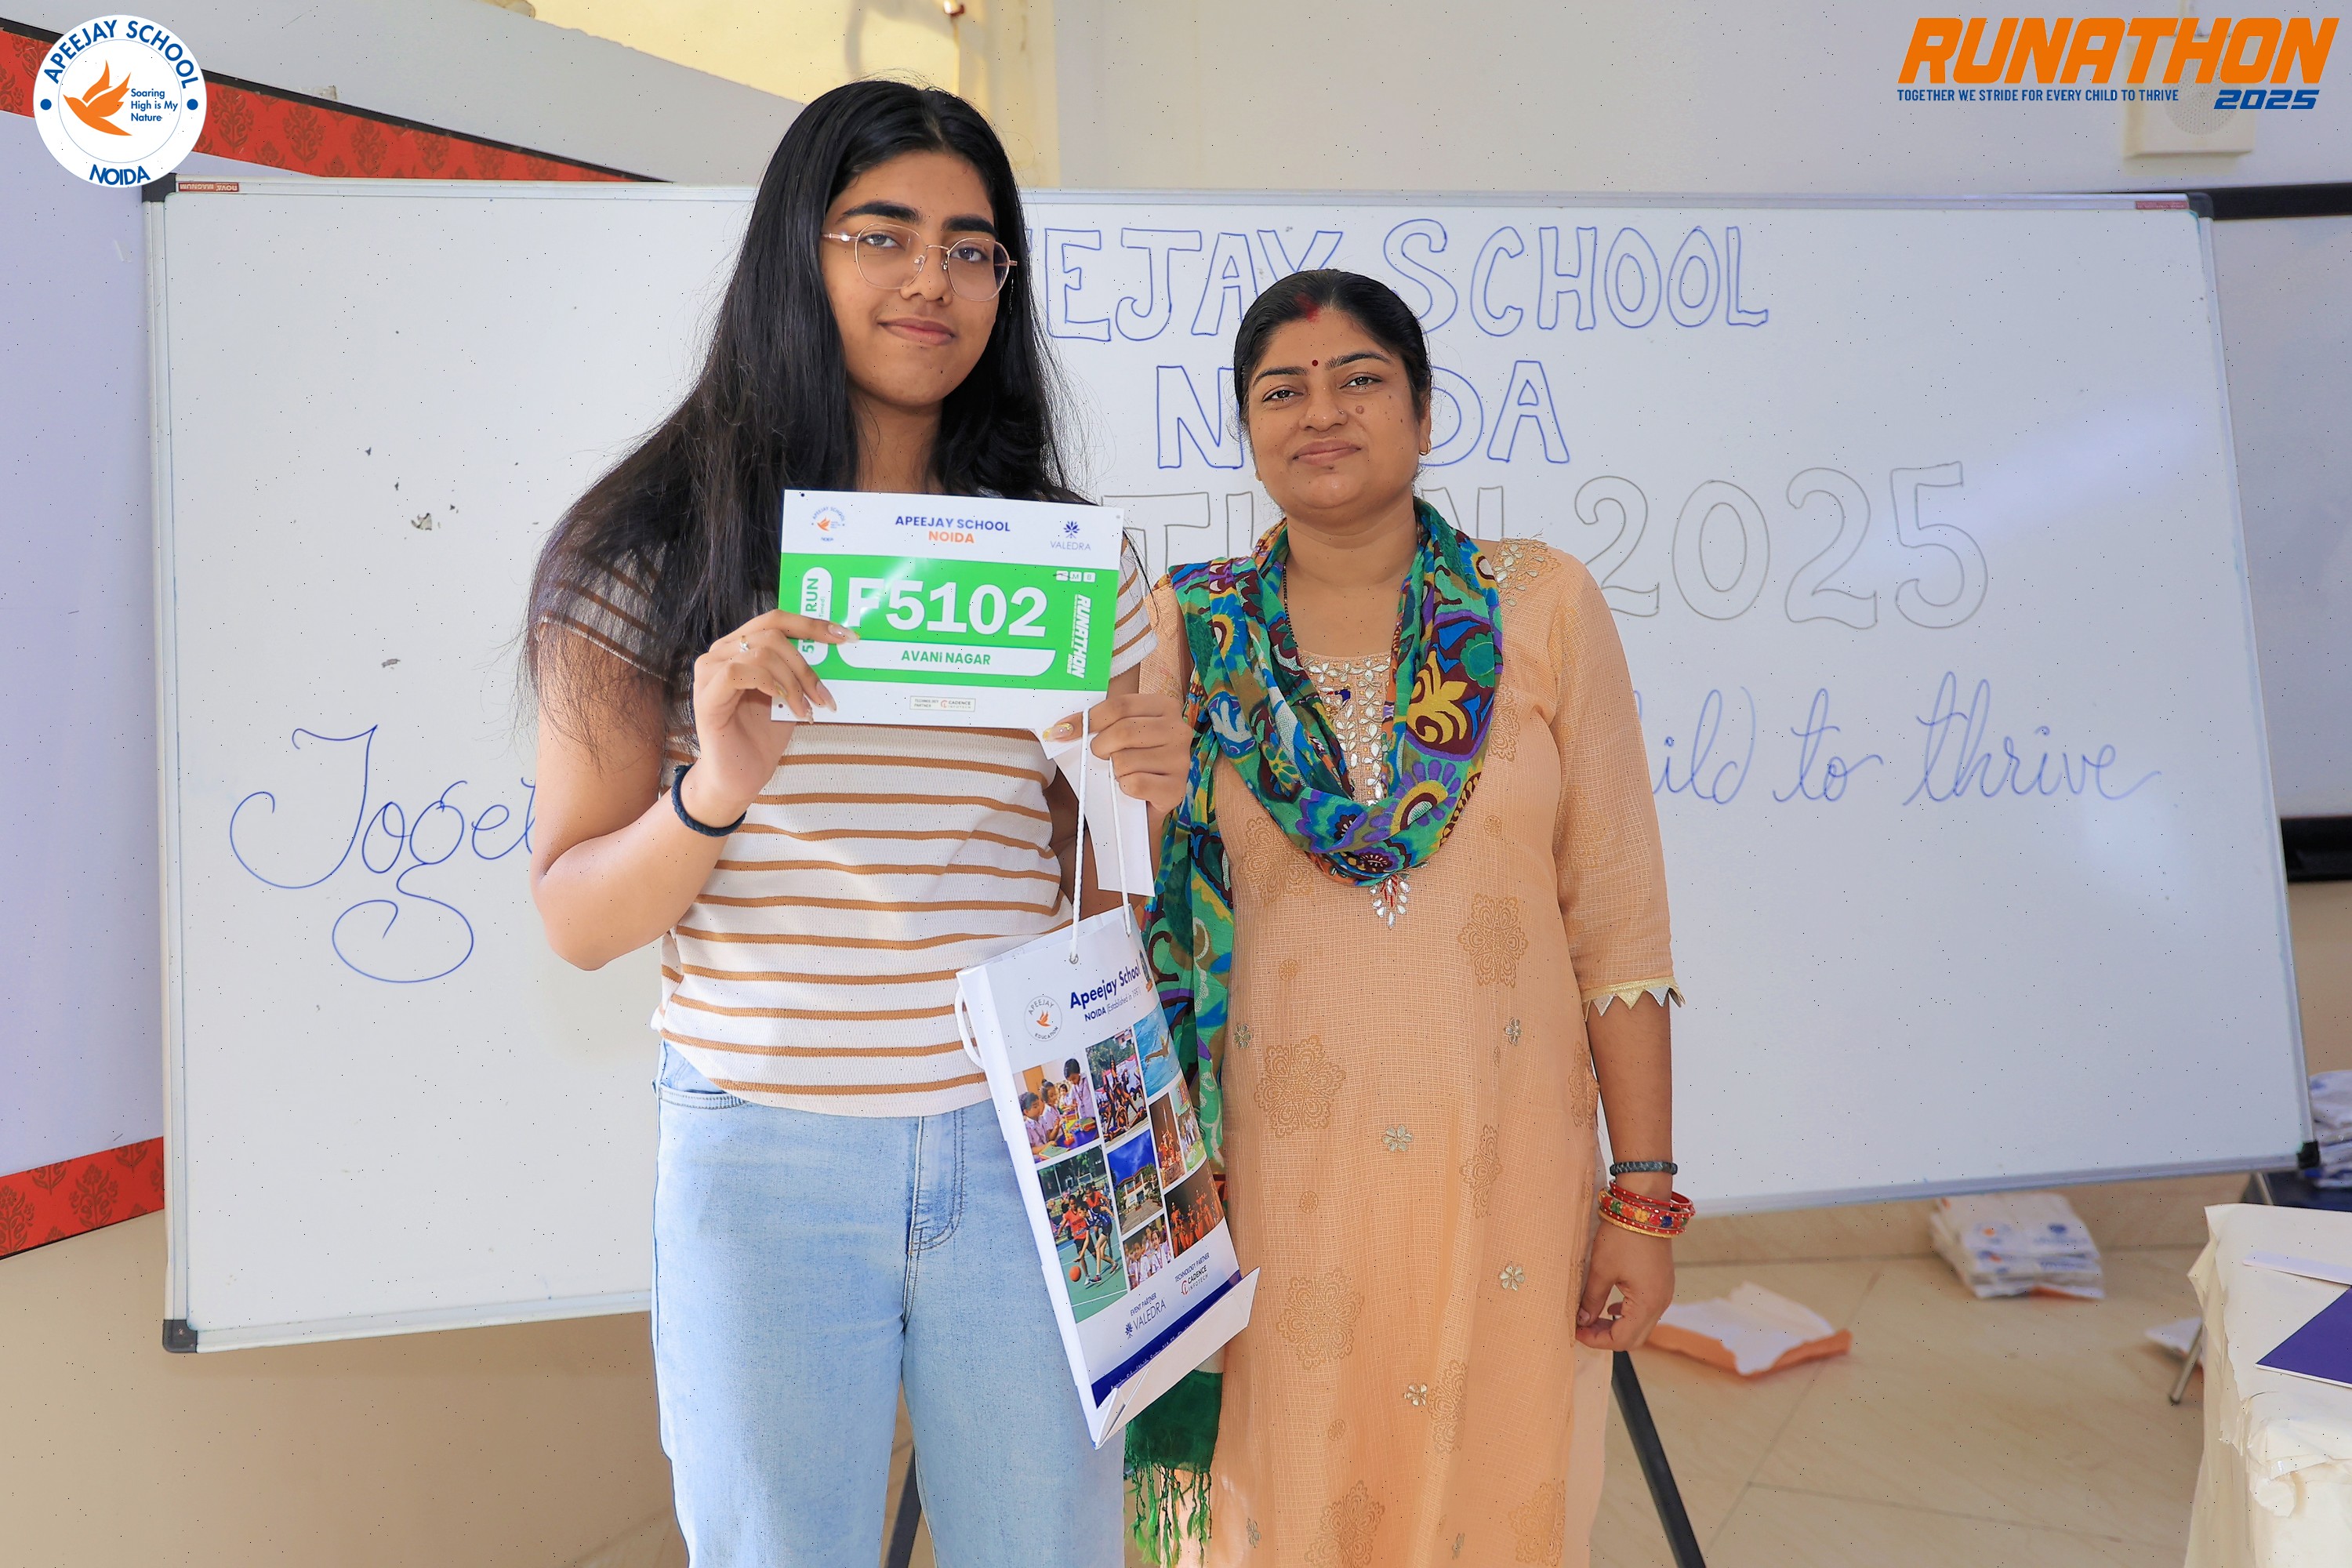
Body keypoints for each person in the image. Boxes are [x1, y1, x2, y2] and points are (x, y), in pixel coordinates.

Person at [524, 82, 1189, 1567]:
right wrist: (714, 790)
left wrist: (1135, 795)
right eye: (881, 234)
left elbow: (1112, 906)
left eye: (972, 248)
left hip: (1031, 1140)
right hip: (762, 1152)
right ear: (796, 253)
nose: (930, 280)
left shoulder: (1078, 567)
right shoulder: (649, 552)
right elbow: (574, 918)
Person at [1132, 270, 1683, 1565]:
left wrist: (1645, 1197)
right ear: (1247, 430)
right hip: (1269, 1180)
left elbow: (1619, 923)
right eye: (1283, 391)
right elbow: (1131, 910)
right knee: (1280, 1490)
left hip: (1506, 1167)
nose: (1322, 412)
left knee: (1491, 1491)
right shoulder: (1186, 629)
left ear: (1425, 414)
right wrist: (1134, 792)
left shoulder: (1540, 603)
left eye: (1361, 380)